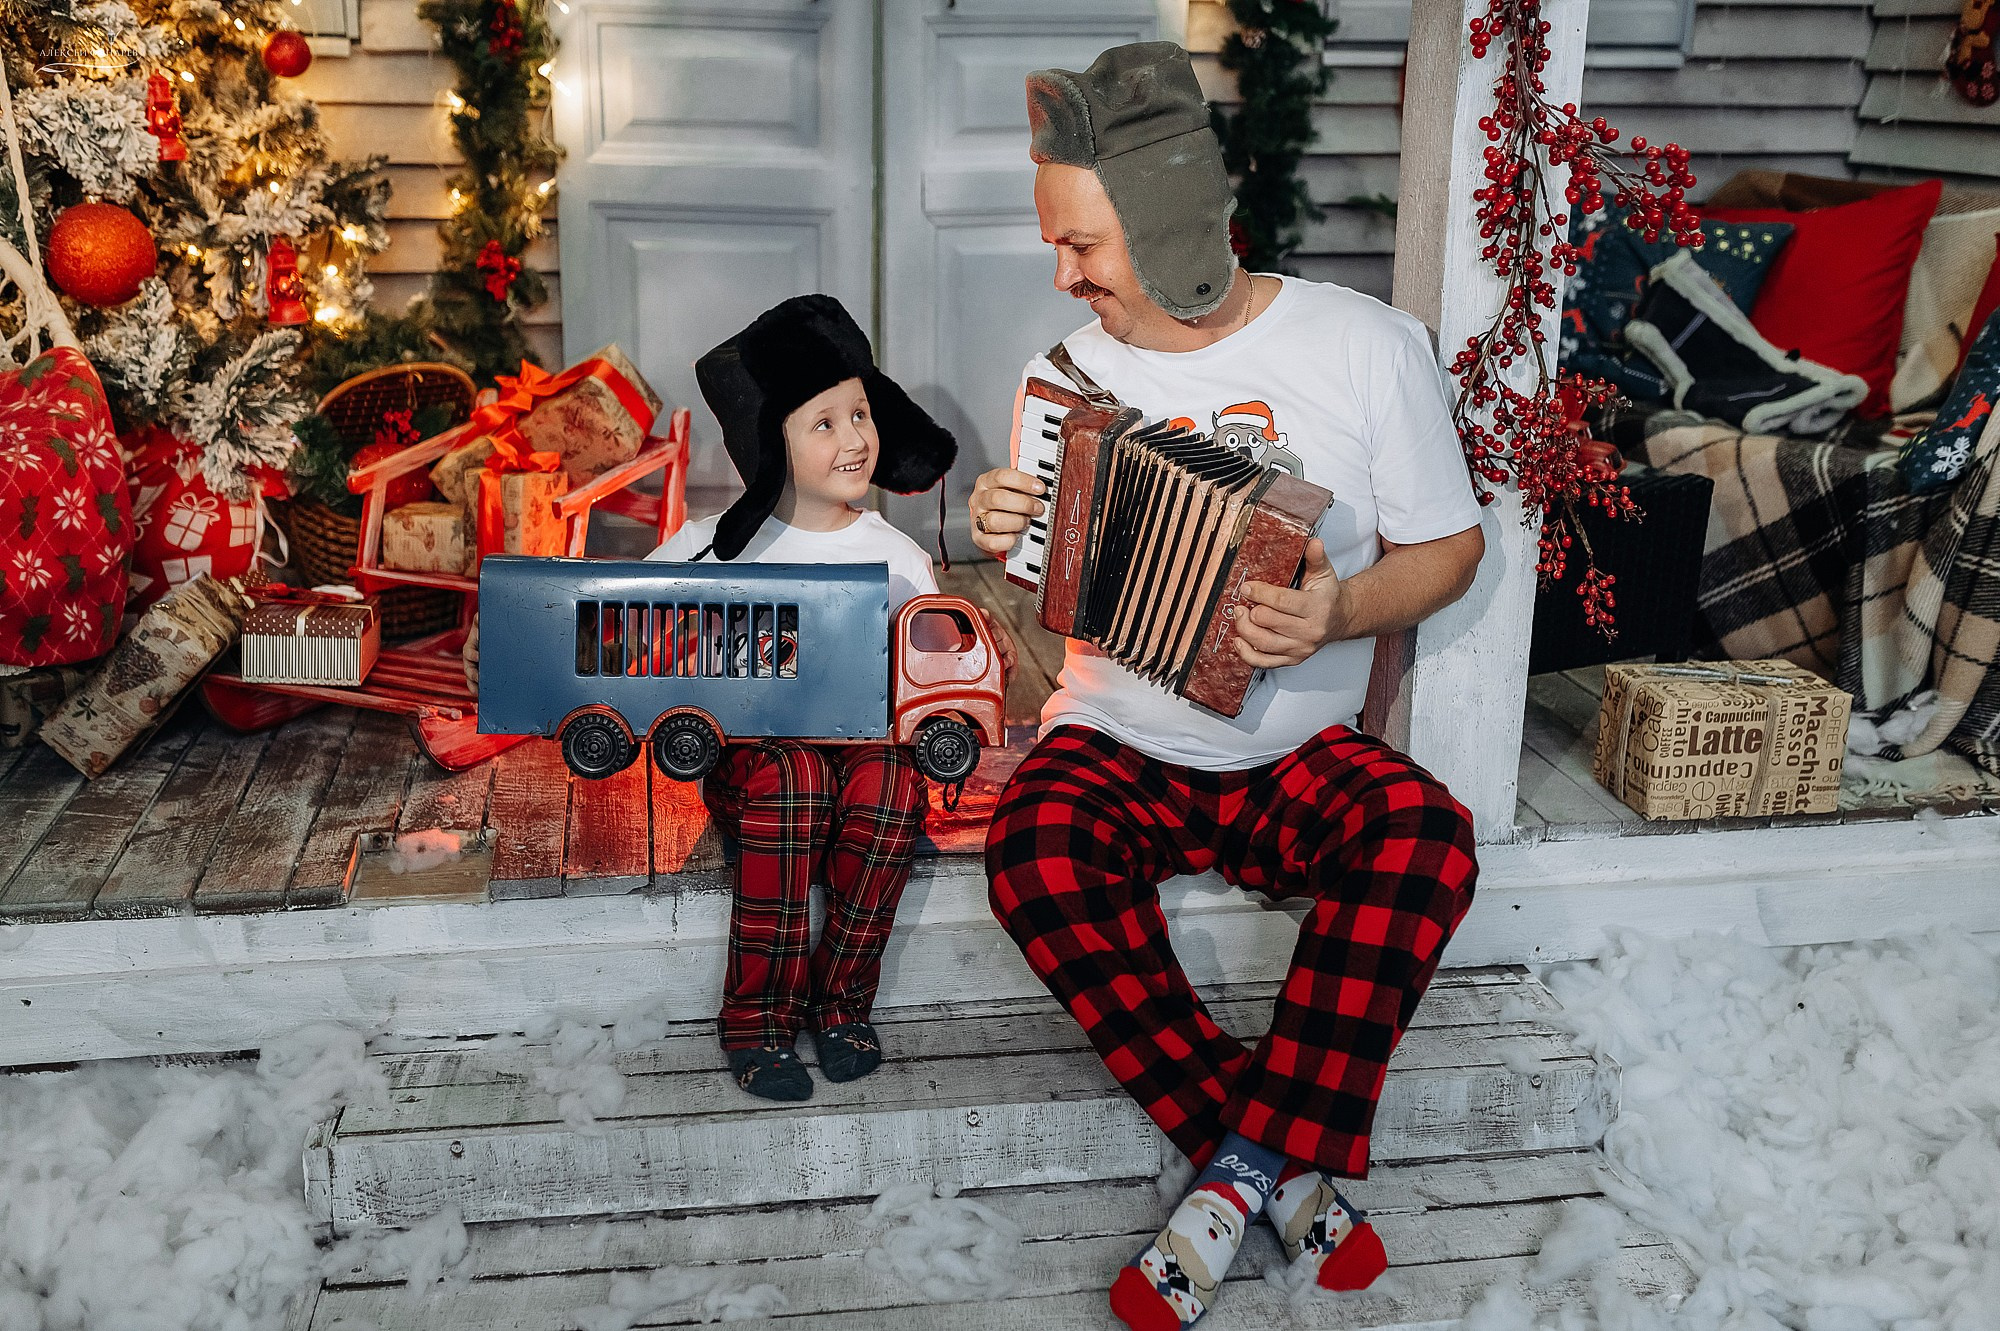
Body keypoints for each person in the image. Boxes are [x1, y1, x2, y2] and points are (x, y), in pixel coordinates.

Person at [970, 43, 1486, 1329]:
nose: (1063, 275)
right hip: (1115, 733)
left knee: (1425, 838)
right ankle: (1274, 1158)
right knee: (1031, 846)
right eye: (1056, 245)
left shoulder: (1368, 348)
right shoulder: (1062, 376)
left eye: (1083, 244)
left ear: (1169, 223)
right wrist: (1000, 523)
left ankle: (1230, 1172)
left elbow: (1451, 546)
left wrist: (1340, 607)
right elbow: (1048, 567)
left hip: (1291, 758)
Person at [651, 294, 1008, 1101]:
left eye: (860, 413)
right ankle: (757, 1016)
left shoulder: (896, 555)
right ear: (771, 439)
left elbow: (939, 666)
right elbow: (633, 618)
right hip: (761, 759)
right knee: (795, 781)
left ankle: (842, 998)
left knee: (888, 786)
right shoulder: (714, 548)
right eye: (824, 422)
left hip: (864, 749)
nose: (854, 438)